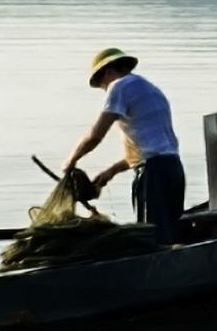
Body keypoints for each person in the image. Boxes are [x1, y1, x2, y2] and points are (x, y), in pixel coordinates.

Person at [63, 45, 186, 229]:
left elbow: (95, 136)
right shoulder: (151, 90)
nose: (105, 91)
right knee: (170, 230)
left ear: (107, 72)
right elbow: (151, 149)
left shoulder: (118, 86)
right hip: (173, 169)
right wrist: (111, 172)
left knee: (150, 235)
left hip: (153, 175)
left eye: (102, 85)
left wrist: (71, 161)